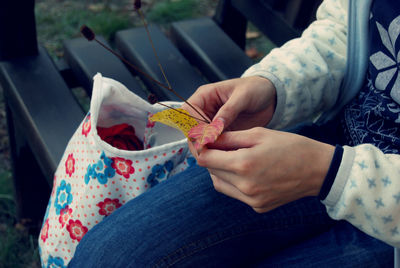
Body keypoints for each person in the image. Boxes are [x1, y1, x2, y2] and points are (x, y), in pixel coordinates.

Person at [68, 0, 400, 266]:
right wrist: (272, 85)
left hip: (375, 210)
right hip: (336, 144)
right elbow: (348, 27)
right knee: (106, 257)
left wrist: (328, 175)